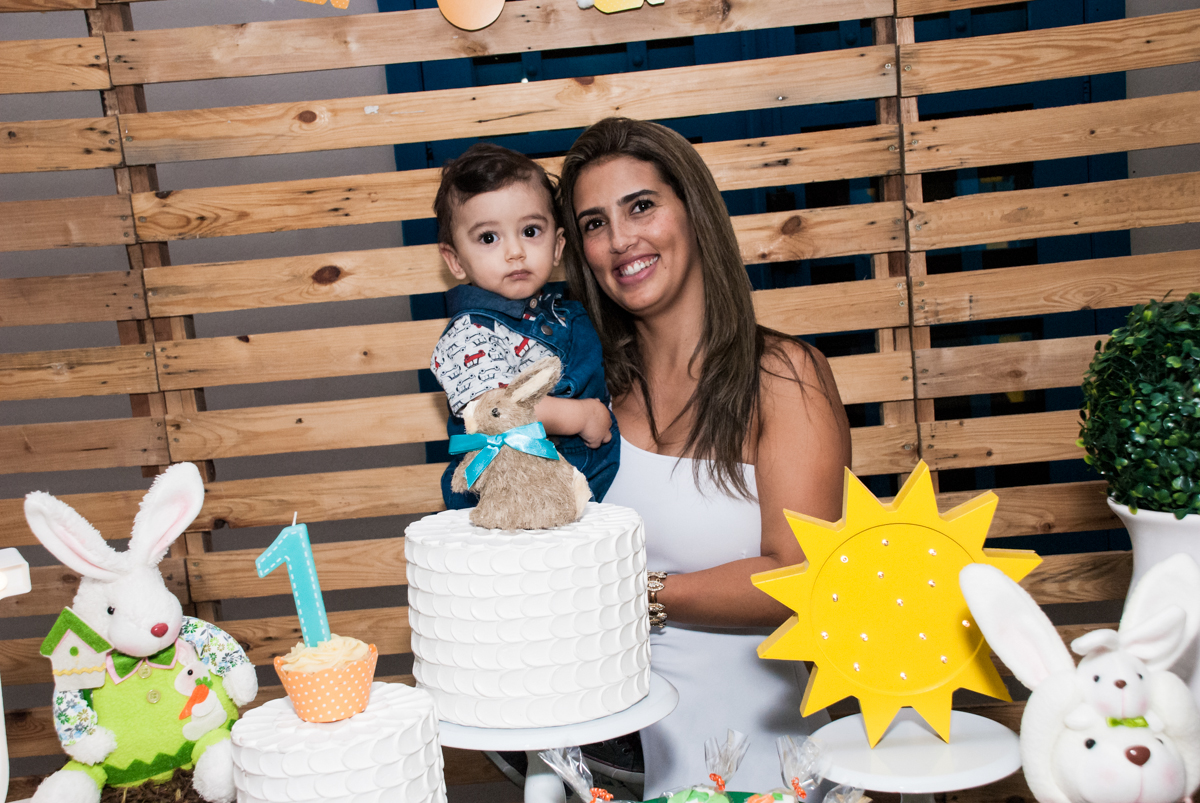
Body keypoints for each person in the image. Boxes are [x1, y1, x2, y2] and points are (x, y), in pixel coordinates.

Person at [557, 118, 852, 796]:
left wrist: (635, 595)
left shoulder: (782, 375)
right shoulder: (586, 395)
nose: (622, 240)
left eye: (641, 206)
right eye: (595, 223)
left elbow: (798, 577)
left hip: (765, 765)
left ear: (693, 211)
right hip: (614, 772)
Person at [429, 143, 620, 509]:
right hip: (509, 494)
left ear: (558, 245)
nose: (514, 251)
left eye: (531, 231)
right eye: (489, 238)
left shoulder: (568, 318)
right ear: (454, 260)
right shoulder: (470, 334)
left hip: (579, 492)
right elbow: (496, 410)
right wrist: (580, 415)